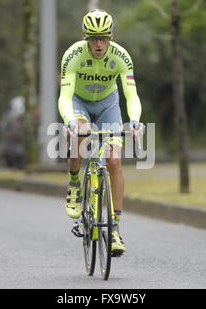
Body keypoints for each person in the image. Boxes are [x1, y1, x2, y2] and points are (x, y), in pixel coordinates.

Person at [57, 9, 143, 256]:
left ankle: (114, 229)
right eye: (93, 38)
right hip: (79, 103)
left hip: (108, 105)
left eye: (103, 38)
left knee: (114, 160)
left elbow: (131, 94)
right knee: (80, 134)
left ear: (111, 37)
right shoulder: (73, 55)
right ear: (84, 36)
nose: (98, 43)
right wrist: (70, 120)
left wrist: (135, 120)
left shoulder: (121, 57)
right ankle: (74, 185)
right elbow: (64, 95)